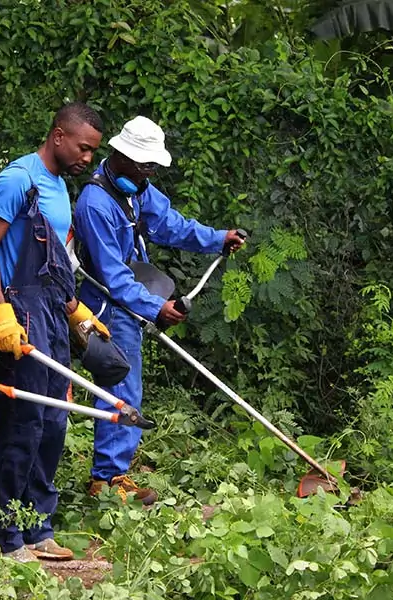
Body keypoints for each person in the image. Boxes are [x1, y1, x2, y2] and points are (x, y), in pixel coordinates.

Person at [73, 116, 245, 505]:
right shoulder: (95, 204)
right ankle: (109, 480)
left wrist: (218, 239)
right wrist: (157, 309)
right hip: (109, 304)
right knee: (120, 386)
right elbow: (113, 275)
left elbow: (170, 225)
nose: (151, 172)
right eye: (146, 164)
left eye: (153, 166)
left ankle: (113, 474)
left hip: (133, 297)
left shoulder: (137, 190)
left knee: (127, 385)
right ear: (123, 156)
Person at [0, 102, 109, 562]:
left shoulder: (57, 189)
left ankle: (37, 528)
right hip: (20, 315)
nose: (88, 158)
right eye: (84, 148)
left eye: (93, 151)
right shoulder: (19, 179)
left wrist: (78, 313)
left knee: (54, 422)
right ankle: (4, 535)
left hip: (50, 313)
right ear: (57, 136)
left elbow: (55, 263)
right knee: (23, 422)